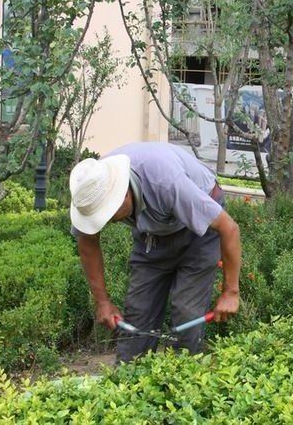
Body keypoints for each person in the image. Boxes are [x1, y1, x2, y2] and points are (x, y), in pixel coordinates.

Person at [69, 142, 241, 363]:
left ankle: (184, 382)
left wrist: (230, 292)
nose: (108, 222)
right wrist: (102, 302)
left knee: (186, 315)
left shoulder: (167, 183)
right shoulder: (90, 188)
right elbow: (87, 241)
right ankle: (130, 383)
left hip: (201, 228)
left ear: (124, 195)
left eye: (108, 214)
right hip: (152, 233)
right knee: (138, 318)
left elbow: (229, 228)